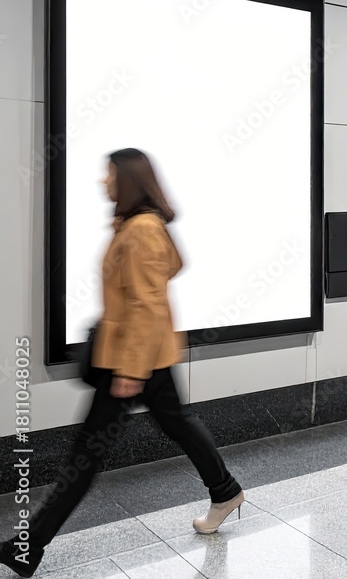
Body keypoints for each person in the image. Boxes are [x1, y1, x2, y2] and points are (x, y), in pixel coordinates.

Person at [0, 149, 243, 578]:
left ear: (126, 180)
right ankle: (225, 492)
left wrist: (131, 370)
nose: (103, 181)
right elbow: (165, 273)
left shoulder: (143, 230)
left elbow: (147, 305)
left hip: (131, 360)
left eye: (108, 174)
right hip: (144, 354)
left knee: (86, 454)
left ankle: (27, 547)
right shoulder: (136, 226)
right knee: (176, 423)